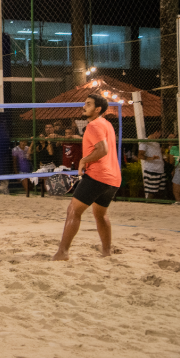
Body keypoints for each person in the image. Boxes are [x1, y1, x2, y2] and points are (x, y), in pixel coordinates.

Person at [53, 94, 121, 261]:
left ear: (98, 109)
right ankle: (106, 252)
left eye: (88, 104)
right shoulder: (107, 124)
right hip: (113, 178)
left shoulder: (93, 126)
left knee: (73, 211)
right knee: (100, 214)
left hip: (98, 176)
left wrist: (84, 160)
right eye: (85, 103)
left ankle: (63, 252)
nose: (84, 106)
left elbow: (103, 150)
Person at [139, 129, 165, 199]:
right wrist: (151, 158)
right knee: (152, 192)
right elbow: (140, 155)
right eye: (159, 134)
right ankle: (148, 206)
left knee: (160, 191)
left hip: (160, 169)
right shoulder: (145, 141)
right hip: (151, 170)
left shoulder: (156, 142)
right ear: (156, 132)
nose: (159, 136)